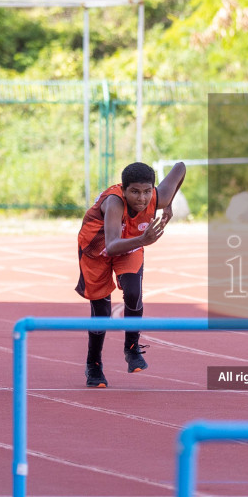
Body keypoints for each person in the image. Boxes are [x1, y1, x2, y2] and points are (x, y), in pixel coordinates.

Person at [77, 161, 186, 388]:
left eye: (147, 192)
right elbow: (112, 244)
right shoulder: (114, 203)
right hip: (97, 247)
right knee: (102, 312)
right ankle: (93, 364)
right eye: (135, 192)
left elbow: (180, 167)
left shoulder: (157, 197)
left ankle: (132, 348)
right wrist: (143, 240)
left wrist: (169, 204)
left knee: (134, 292)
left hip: (129, 242)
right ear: (124, 190)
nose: (142, 198)